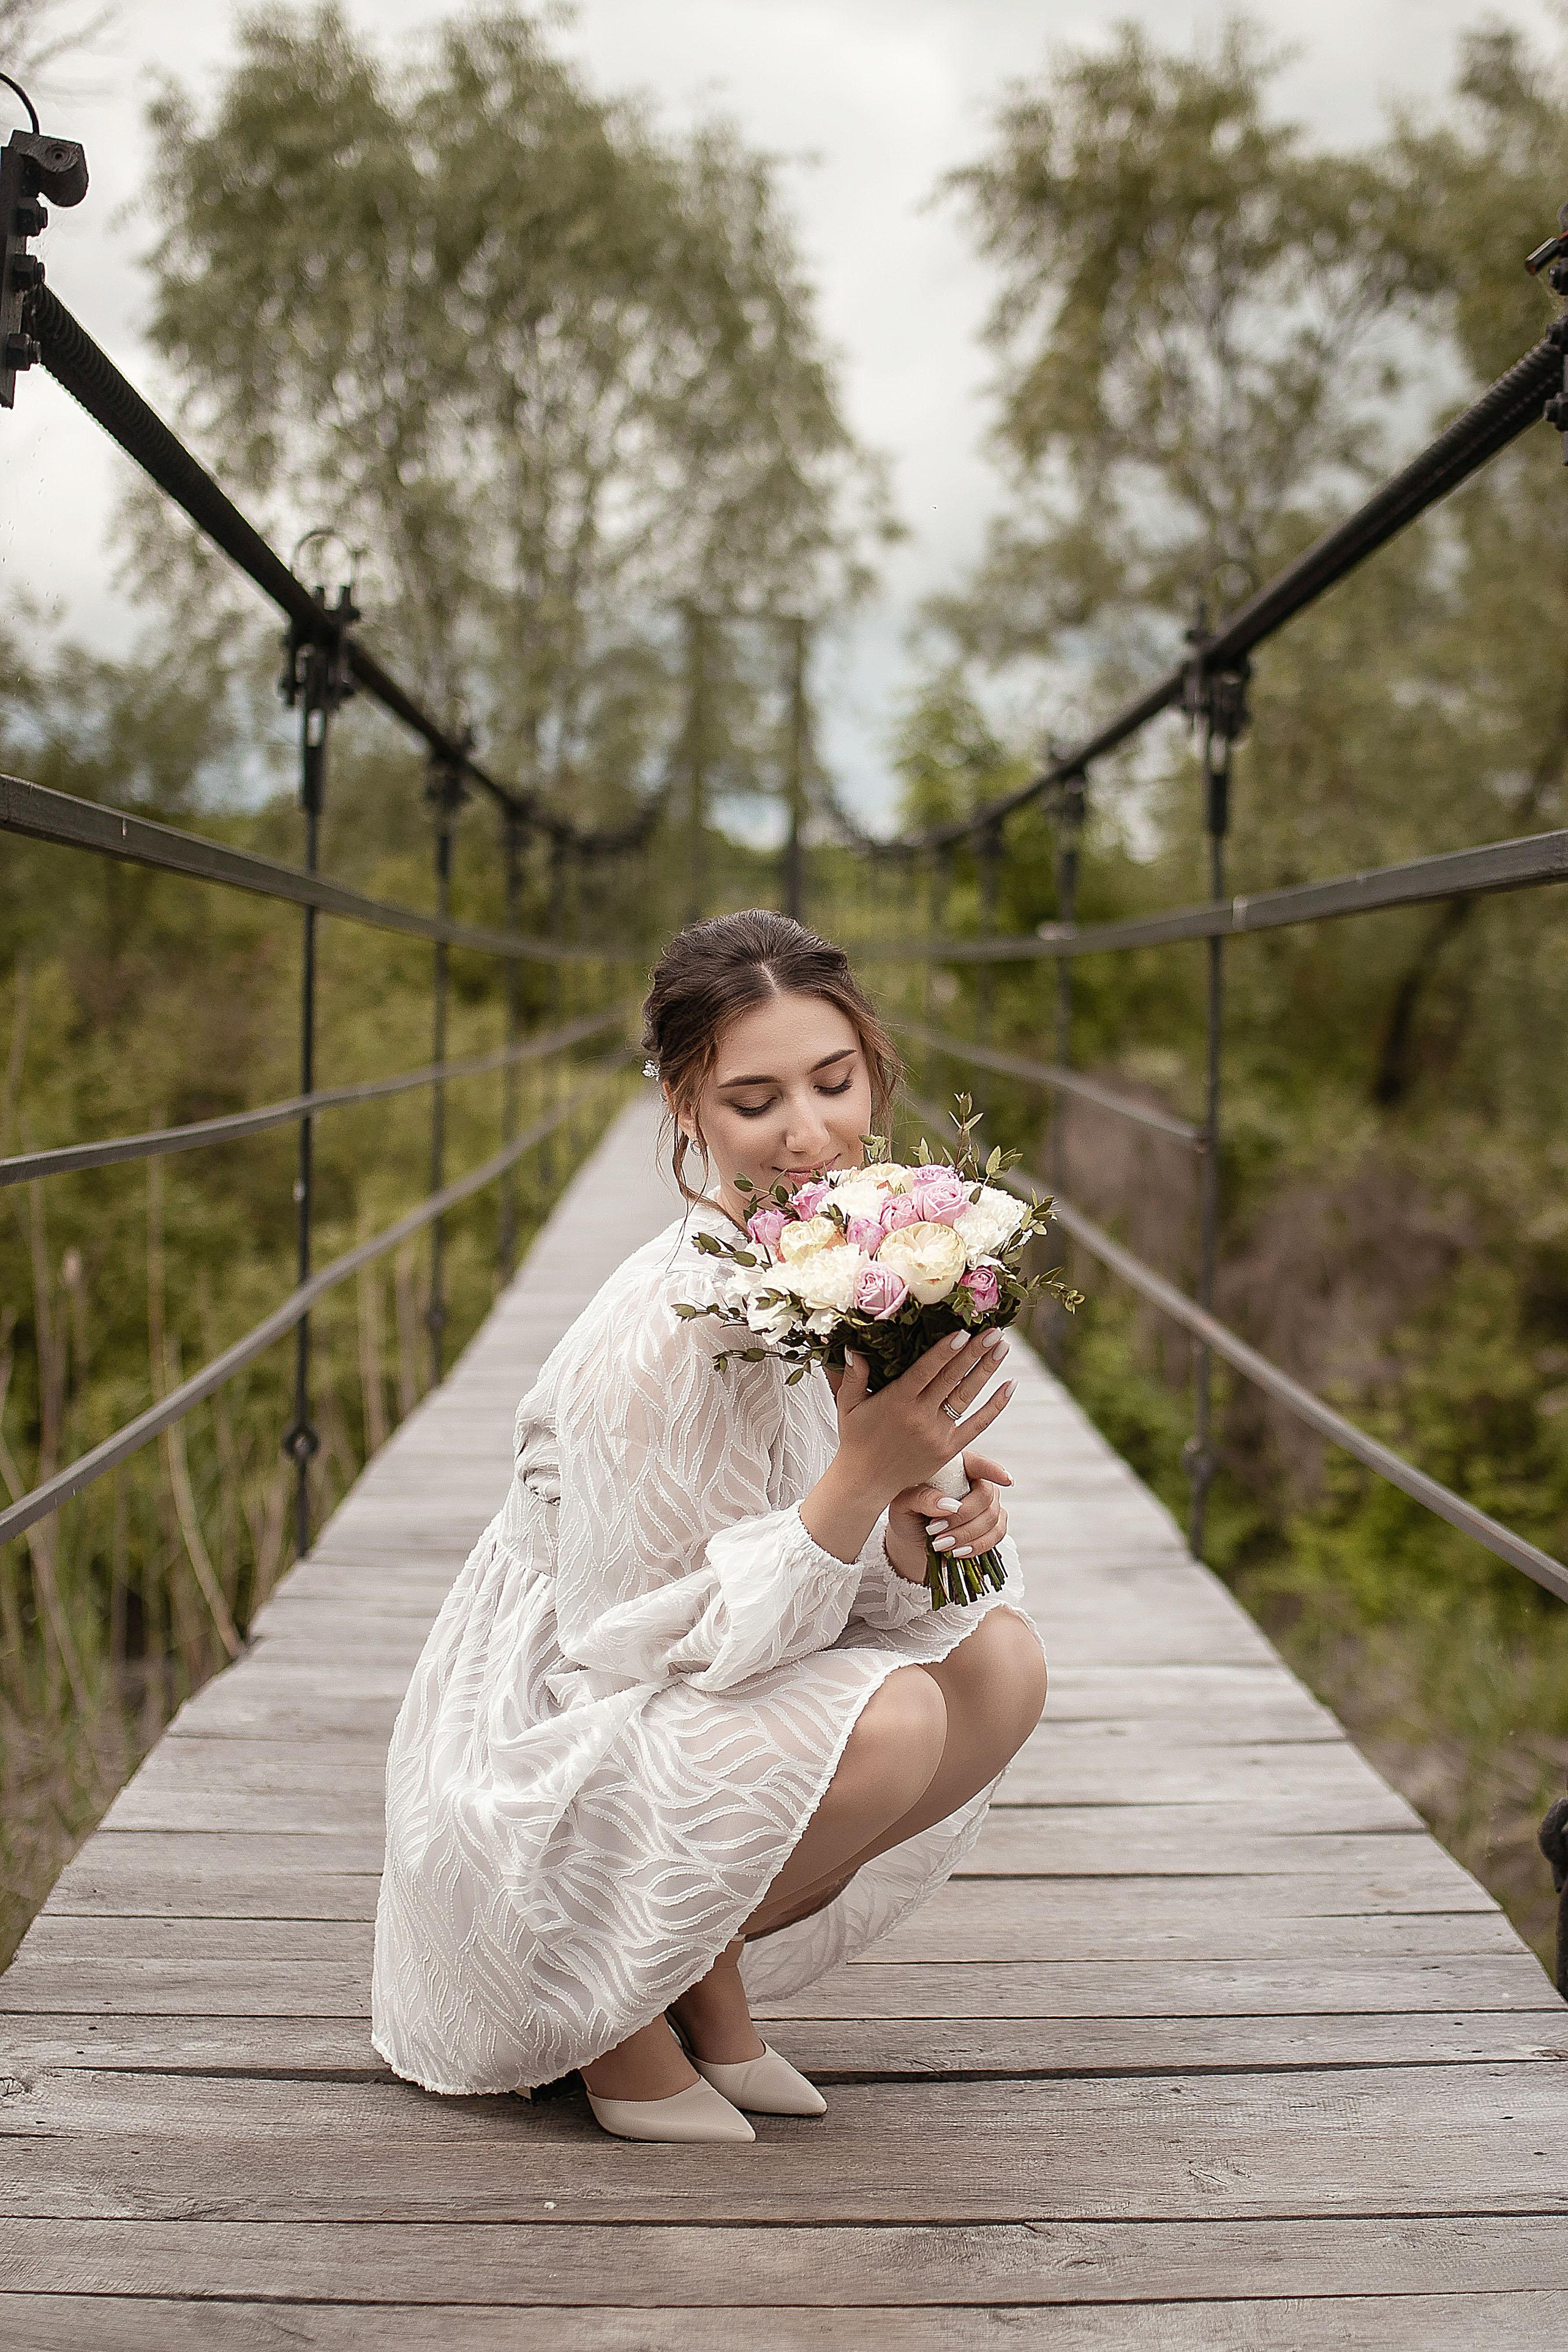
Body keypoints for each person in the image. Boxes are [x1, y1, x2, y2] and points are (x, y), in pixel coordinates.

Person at [371, 909, 1048, 2143]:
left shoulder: (844, 1270)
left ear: (874, 1070)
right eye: (754, 1100)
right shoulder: (657, 1333)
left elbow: (868, 1600)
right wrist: (851, 1484)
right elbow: (620, 1657)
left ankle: (699, 1969)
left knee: (992, 1653)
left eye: (833, 1081)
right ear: (685, 1107)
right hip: (548, 1751)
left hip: (697, 1679)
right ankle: (610, 2016)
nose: (808, 1132)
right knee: (890, 1722)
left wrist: (919, 1505)